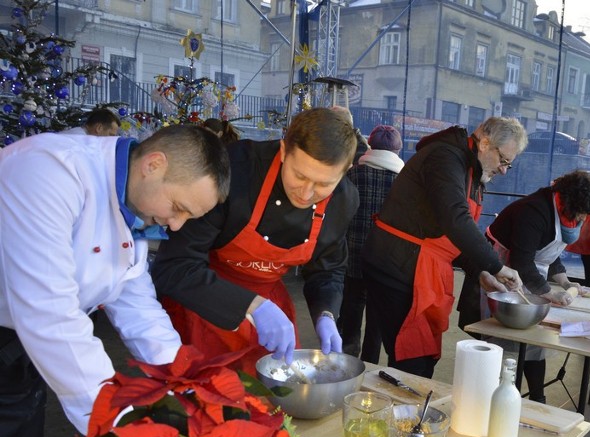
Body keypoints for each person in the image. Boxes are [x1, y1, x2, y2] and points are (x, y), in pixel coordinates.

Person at [0, 125, 230, 437]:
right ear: (153, 165)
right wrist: (121, 428)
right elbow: (50, 314)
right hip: (22, 330)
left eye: (189, 217)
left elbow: (138, 307)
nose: (177, 225)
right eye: (178, 208)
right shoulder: (49, 171)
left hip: (22, 354)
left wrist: (188, 388)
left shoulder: (135, 201)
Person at [151, 107, 359, 373]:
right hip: (204, 298)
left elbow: (328, 269)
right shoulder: (236, 169)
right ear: (284, 150)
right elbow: (175, 266)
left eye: (323, 185)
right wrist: (252, 306)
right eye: (300, 176)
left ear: (346, 171)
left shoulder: (344, 200)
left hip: (272, 314)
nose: (307, 193)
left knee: (270, 401)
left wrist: (326, 314)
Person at [361, 117, 526, 378]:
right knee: (412, 360)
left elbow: (452, 233)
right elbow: (455, 218)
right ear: (485, 143)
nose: (504, 170)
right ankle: (402, 413)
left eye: (509, 164)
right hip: (398, 264)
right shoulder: (445, 157)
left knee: (423, 357)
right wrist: (495, 266)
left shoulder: (471, 168)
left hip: (423, 267)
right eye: (504, 160)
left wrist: (479, 272)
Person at [464, 170, 590, 402]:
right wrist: (549, 293)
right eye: (581, 213)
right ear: (570, 202)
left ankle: (537, 398)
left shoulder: (561, 210)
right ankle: (503, 397)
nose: (582, 219)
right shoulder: (535, 211)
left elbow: (549, 252)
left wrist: (564, 281)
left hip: (527, 274)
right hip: (497, 274)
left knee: (533, 343)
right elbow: (521, 261)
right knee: (509, 343)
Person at [338, 124, 405, 363]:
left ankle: (347, 359)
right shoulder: (403, 181)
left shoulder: (352, 174)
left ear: (370, 144)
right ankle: (370, 365)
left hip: (352, 253)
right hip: (385, 260)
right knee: (377, 315)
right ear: (398, 149)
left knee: (351, 308)